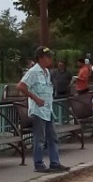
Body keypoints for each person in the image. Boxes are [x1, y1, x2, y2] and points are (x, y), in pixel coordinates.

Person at [17, 46, 70, 174]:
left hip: (48, 109)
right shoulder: (33, 72)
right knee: (40, 139)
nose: (50, 59)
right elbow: (21, 86)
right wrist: (35, 99)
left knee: (52, 137)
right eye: (48, 57)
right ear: (41, 58)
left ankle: (55, 163)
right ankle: (39, 164)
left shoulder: (46, 72)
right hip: (39, 110)